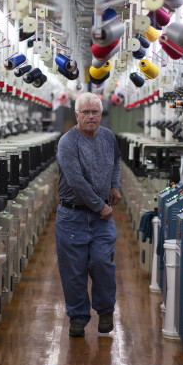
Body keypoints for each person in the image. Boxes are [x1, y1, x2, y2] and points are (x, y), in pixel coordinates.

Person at [55, 92, 121, 337]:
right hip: (72, 217)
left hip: (101, 218)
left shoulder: (107, 137)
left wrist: (115, 186)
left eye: (95, 112)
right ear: (77, 115)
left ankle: (105, 311)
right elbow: (76, 182)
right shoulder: (68, 142)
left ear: (101, 114)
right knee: (74, 271)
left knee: (103, 263)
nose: (91, 116)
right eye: (86, 112)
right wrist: (100, 206)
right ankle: (78, 318)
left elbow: (116, 161)